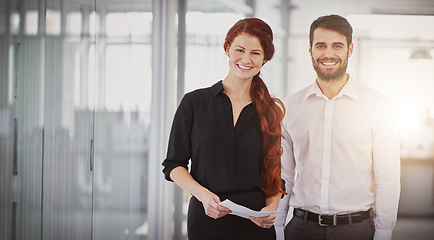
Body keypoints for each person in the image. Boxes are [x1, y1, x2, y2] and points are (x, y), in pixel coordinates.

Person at [275, 14, 400, 240]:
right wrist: (278, 228)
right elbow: (285, 176)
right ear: (310, 50)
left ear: (350, 49)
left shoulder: (377, 106)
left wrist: (384, 232)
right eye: (320, 45)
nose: (328, 54)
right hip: (301, 229)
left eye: (337, 46)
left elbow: (388, 178)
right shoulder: (290, 107)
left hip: (356, 230)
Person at [162, 18, 285, 240]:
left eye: (255, 53)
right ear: (228, 49)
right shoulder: (194, 102)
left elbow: (273, 172)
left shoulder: (269, 111)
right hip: (206, 219)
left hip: (255, 224)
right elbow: (173, 165)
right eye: (240, 50)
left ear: (264, 59)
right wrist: (203, 196)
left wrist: (271, 208)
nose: (246, 59)